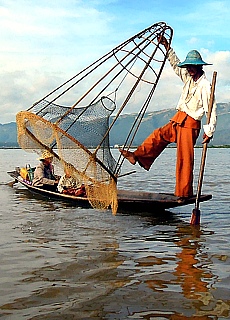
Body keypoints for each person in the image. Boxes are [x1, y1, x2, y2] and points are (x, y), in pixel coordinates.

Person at [119, 35, 217, 201]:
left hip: (191, 123)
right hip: (179, 118)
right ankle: (137, 156)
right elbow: (175, 64)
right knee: (158, 134)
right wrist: (167, 47)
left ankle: (183, 193)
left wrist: (210, 130)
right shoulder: (187, 77)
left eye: (192, 66)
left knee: (184, 159)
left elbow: (211, 108)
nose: (190, 69)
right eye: (188, 66)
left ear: (199, 67)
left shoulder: (205, 85)